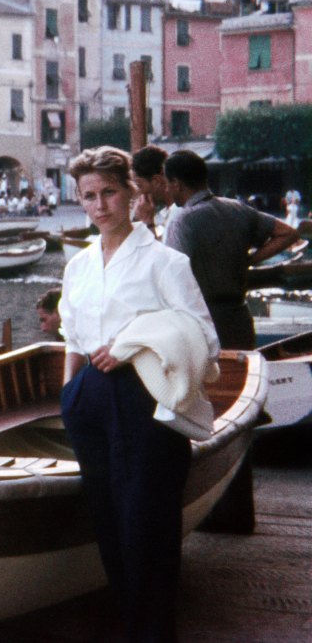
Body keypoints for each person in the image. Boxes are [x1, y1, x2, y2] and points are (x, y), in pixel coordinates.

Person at [58, 146, 218, 642]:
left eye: (109, 192)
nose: (100, 204)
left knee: (146, 523)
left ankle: (154, 632)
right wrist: (69, 396)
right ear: (80, 201)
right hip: (89, 400)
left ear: (132, 193)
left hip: (145, 398)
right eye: (89, 196)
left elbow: (204, 336)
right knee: (107, 520)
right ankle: (131, 623)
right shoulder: (79, 266)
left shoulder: (165, 262)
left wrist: (132, 345)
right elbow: (71, 336)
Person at [163, 149, 299, 534]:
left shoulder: (182, 220)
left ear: (175, 183)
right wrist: (250, 260)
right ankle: (240, 511)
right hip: (239, 318)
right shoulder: (237, 210)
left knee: (205, 414)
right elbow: (288, 233)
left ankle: (211, 509)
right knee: (240, 416)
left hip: (203, 324)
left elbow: (172, 281)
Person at [130, 144, 174, 241]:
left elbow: (161, 255)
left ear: (156, 181)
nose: (135, 193)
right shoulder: (168, 212)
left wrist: (147, 222)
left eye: (138, 185)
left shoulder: (177, 215)